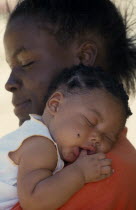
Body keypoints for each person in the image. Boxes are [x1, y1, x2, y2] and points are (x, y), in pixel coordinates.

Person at [3, 0, 136, 209]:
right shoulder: (56, 148)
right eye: (11, 68)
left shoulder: (102, 171)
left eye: (26, 62)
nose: (9, 84)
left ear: (83, 58)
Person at [0, 65, 132, 210]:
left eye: (108, 138)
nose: (97, 138)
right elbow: (34, 202)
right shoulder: (40, 145)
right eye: (90, 122)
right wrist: (80, 173)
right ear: (55, 105)